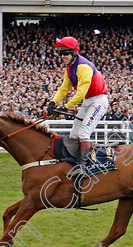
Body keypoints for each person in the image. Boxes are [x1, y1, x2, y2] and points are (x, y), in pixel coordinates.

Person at [46, 36, 109, 176]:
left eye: (66, 53)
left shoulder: (83, 67)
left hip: (98, 100)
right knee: (74, 134)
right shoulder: (70, 68)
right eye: (60, 53)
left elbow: (81, 92)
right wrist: (53, 102)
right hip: (88, 101)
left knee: (83, 133)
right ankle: (71, 164)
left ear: (74, 52)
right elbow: (64, 88)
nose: (62, 56)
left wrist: (66, 106)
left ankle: (83, 168)